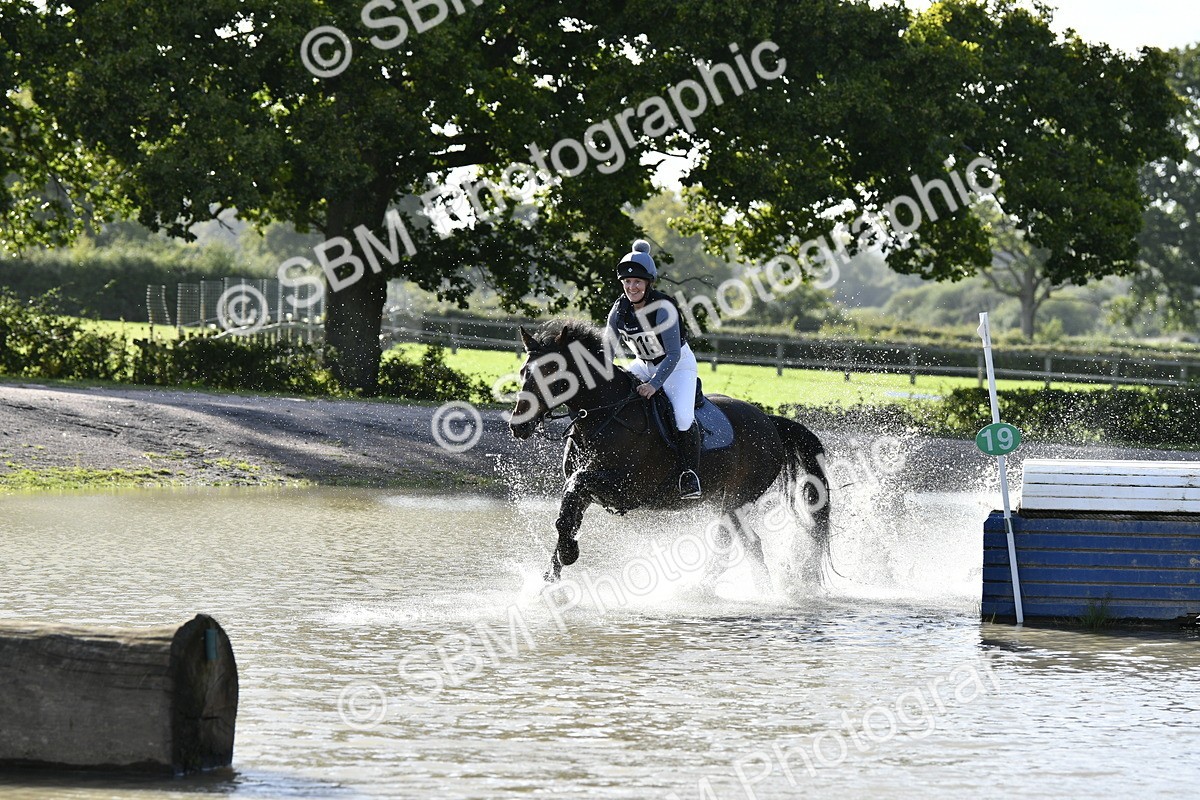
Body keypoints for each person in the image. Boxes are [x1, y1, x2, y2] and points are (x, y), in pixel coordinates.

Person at [604, 239, 702, 499]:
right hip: (643, 364)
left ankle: (688, 474)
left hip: (677, 365)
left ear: (648, 283)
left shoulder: (663, 308)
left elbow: (673, 354)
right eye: (627, 282)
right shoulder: (619, 309)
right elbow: (608, 349)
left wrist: (654, 385)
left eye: (637, 282)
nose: (631, 287)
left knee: (681, 417)